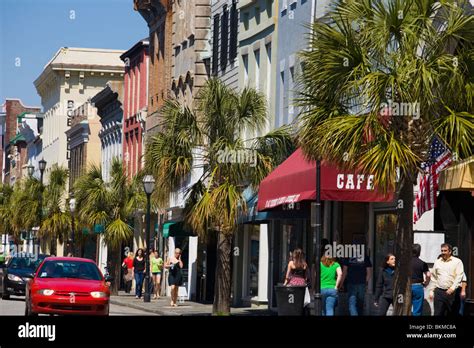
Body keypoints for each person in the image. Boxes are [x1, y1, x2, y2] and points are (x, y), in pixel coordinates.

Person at [429, 243, 464, 316]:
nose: (443, 252)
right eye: (442, 251)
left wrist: (452, 288)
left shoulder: (457, 262)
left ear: (450, 251)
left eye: (445, 251)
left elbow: (459, 276)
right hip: (439, 292)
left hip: (452, 293)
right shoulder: (437, 262)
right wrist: (431, 290)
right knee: (438, 313)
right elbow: (434, 277)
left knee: (452, 313)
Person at [341, 248, 372, 316]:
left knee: (352, 304)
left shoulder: (348, 258)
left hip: (351, 283)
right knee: (360, 304)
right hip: (361, 283)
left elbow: (344, 272)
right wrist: (365, 282)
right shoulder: (365, 257)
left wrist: (341, 284)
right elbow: (369, 273)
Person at [411, 244, 431, 316]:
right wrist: (426, 283)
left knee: (404, 308)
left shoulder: (405, 263)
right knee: (417, 310)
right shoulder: (422, 263)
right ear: (419, 252)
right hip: (417, 287)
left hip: (406, 287)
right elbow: (428, 275)